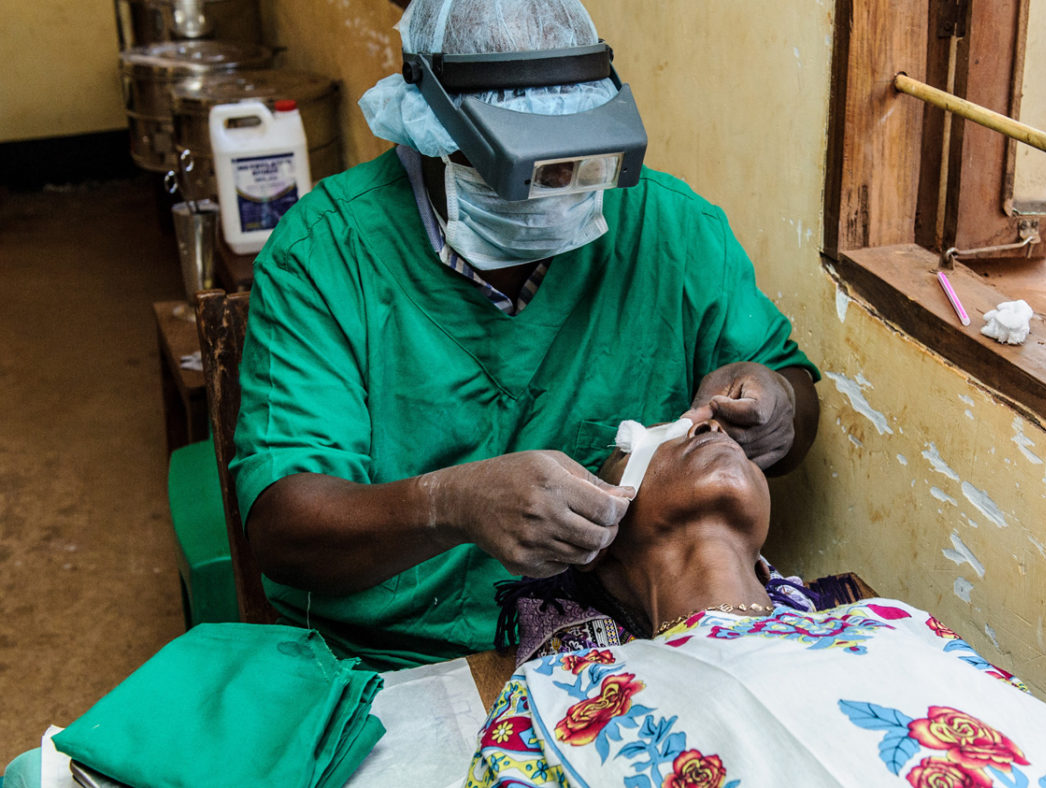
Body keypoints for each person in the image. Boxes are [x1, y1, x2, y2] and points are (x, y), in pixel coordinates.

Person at [229, 0, 820, 670]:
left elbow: (790, 398)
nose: (557, 191)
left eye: (579, 160)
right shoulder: (325, 255)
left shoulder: (670, 230)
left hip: (617, 648)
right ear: (428, 129)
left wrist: (781, 405)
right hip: (392, 663)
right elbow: (285, 529)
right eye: (516, 168)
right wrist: (446, 505)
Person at [465, 419, 1046, 787]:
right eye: (652, 432)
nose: (707, 423)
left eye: (708, 425)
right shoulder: (559, 695)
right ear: (595, 536)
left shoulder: (893, 622)